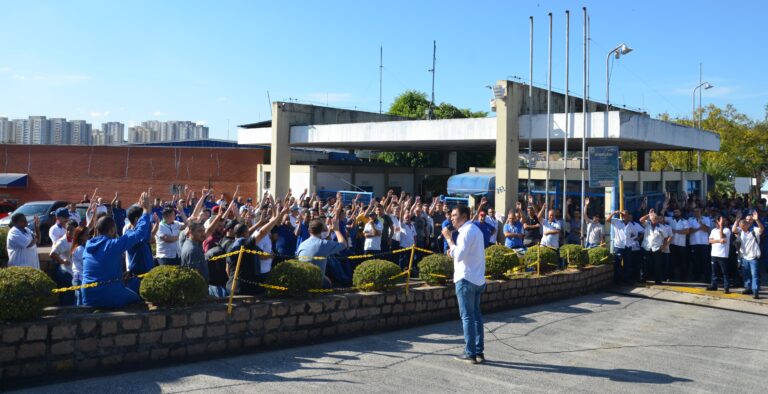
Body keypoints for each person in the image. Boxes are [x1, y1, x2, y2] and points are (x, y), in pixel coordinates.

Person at [81, 190, 152, 309]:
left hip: (88, 295)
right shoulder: (112, 245)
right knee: (139, 301)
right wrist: (146, 211)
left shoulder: (88, 246)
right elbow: (138, 234)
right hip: (108, 293)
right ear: (112, 229)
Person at [442, 205, 486, 365]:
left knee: (467, 316)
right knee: (476, 316)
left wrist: (449, 240)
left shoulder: (465, 232)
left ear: (465, 216)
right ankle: (478, 350)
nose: (451, 218)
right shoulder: (476, 230)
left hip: (466, 279)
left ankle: (470, 353)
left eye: (454, 215)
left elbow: (459, 255)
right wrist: (453, 249)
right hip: (477, 278)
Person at [181, 220, 228, 297]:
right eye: (199, 231)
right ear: (190, 232)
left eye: (203, 231)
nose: (203, 234)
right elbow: (195, 275)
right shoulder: (192, 249)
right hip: (197, 291)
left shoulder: (194, 243)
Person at [732, 210, 763, 299]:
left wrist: (757, 220)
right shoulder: (741, 230)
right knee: (746, 274)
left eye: (750, 219)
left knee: (754, 275)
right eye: (746, 219)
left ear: (752, 221)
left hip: (753, 257)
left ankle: (755, 291)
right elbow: (734, 230)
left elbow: (762, 229)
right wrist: (737, 220)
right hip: (744, 257)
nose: (748, 221)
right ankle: (748, 288)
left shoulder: (754, 230)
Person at [49, 220, 79, 305]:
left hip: (74, 272)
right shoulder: (63, 241)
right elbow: (52, 254)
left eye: (71, 229)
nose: (69, 232)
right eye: (68, 229)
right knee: (69, 297)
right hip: (66, 272)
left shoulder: (76, 239)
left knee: (72, 296)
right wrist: (62, 261)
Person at [607, 210, 637, 285]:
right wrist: (614, 213)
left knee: (627, 264)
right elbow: (607, 220)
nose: (625, 216)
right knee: (617, 263)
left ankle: (626, 279)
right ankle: (617, 280)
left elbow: (635, 234)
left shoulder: (631, 225)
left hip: (627, 246)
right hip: (619, 246)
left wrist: (630, 239)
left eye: (626, 215)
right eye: (623, 215)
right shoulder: (617, 221)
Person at [707, 215, 732, 294]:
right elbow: (710, 241)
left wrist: (721, 226)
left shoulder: (727, 230)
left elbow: (722, 237)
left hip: (723, 254)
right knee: (714, 271)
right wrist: (718, 241)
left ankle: (726, 287)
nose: (716, 224)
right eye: (716, 222)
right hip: (714, 254)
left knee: (724, 272)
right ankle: (714, 285)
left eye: (717, 222)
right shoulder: (713, 230)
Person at [688, 207, 712, 283]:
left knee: (705, 261)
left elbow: (707, 230)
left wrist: (701, 223)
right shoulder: (690, 219)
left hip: (704, 243)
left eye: (698, 211)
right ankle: (696, 277)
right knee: (695, 261)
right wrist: (699, 228)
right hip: (694, 243)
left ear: (701, 211)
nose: (696, 213)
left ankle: (707, 278)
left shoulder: (706, 219)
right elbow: (689, 231)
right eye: (694, 211)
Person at [70, 226, 90, 306]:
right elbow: (86, 263)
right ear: (81, 236)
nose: (89, 237)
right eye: (87, 235)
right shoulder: (80, 249)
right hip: (79, 278)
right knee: (80, 302)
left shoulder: (81, 247)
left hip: (79, 277)